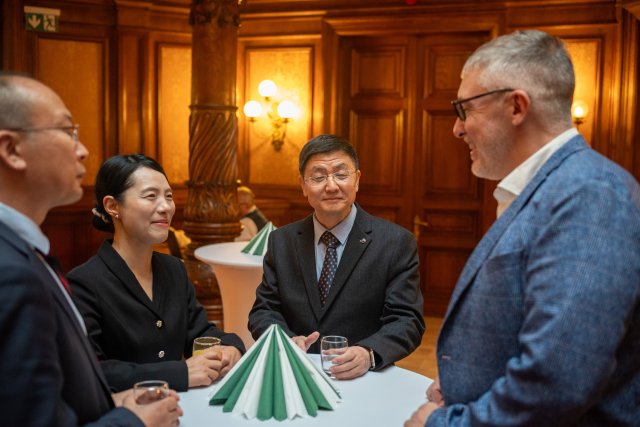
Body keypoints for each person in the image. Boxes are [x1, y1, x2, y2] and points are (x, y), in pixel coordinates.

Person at [405, 30, 640, 427]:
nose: (457, 128)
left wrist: (442, 424)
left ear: (516, 107)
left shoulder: (590, 194)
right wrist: (468, 381)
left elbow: (557, 381)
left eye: (465, 109)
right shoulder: (551, 187)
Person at [0, 73, 182, 426]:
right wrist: (134, 421)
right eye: (67, 132)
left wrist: (114, 402)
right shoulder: (10, 272)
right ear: (12, 150)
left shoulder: (25, 253)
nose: (82, 150)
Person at [248, 134, 425, 380]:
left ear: (357, 180)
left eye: (341, 174)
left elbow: (407, 320)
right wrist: (286, 341)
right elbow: (263, 311)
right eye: (318, 177)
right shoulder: (281, 241)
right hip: (296, 375)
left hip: (363, 378)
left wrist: (367, 353)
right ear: (303, 185)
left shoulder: (394, 242)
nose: (331, 186)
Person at [67, 154, 246, 393]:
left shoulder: (174, 269)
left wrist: (231, 346)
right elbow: (94, 370)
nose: (165, 207)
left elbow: (199, 333)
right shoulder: (84, 282)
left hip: (178, 405)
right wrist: (179, 373)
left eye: (168, 196)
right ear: (112, 206)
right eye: (151, 196)